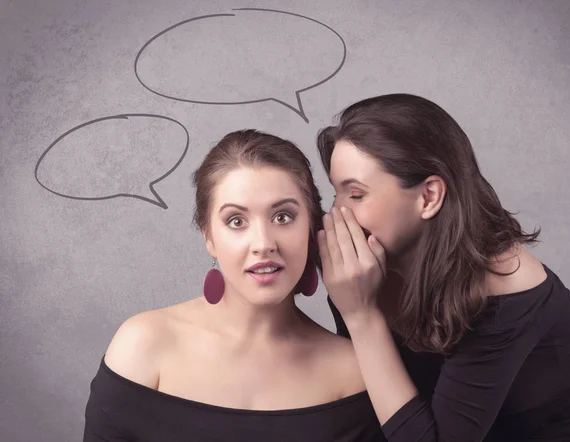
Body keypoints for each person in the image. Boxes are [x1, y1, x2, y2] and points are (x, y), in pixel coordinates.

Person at [316, 93, 570, 442]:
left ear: (429, 197)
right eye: (335, 194)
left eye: (356, 195)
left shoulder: (505, 285)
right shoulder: (368, 266)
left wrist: (361, 316)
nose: (337, 215)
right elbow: (376, 402)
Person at [83, 129, 386, 442]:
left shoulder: (354, 372)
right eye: (236, 221)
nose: (263, 244)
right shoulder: (144, 345)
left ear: (311, 227)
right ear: (209, 238)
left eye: (283, 217)